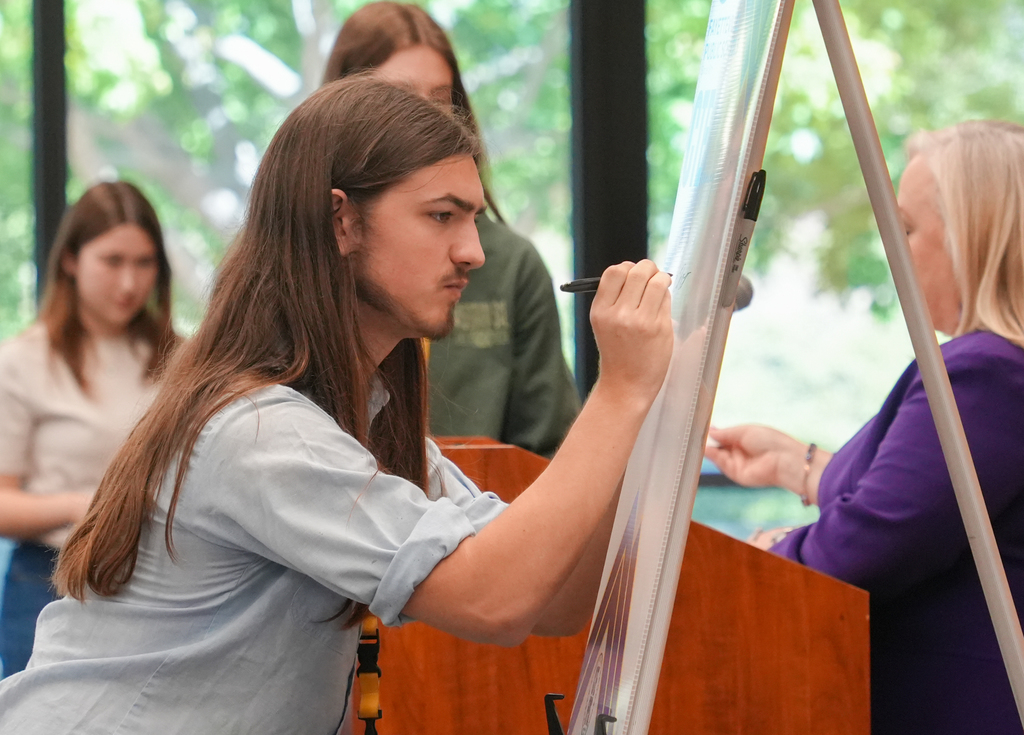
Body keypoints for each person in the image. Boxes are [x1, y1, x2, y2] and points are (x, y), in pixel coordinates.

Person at [0, 77, 672, 734]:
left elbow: (550, 600)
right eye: (442, 215)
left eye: (472, 218)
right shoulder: (259, 430)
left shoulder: (362, 422)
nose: (471, 251)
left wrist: (641, 414)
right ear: (341, 220)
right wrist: (620, 392)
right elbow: (491, 600)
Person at [705, 120, 1024, 734]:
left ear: (972, 239)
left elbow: (867, 546)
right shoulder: (996, 368)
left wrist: (766, 551)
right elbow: (927, 503)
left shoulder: (985, 373)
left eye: (907, 228)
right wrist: (796, 464)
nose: (893, 248)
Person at [324, 1, 580, 458]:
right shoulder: (296, 267)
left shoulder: (508, 263)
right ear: (343, 223)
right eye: (396, 101)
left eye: (439, 102)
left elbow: (548, 453)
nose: (423, 121)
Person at [0, 181, 175, 679]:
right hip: (50, 579)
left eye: (144, 264)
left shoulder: (178, 361)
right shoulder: (23, 361)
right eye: (112, 261)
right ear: (72, 261)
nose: (129, 283)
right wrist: (88, 506)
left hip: (157, 583)